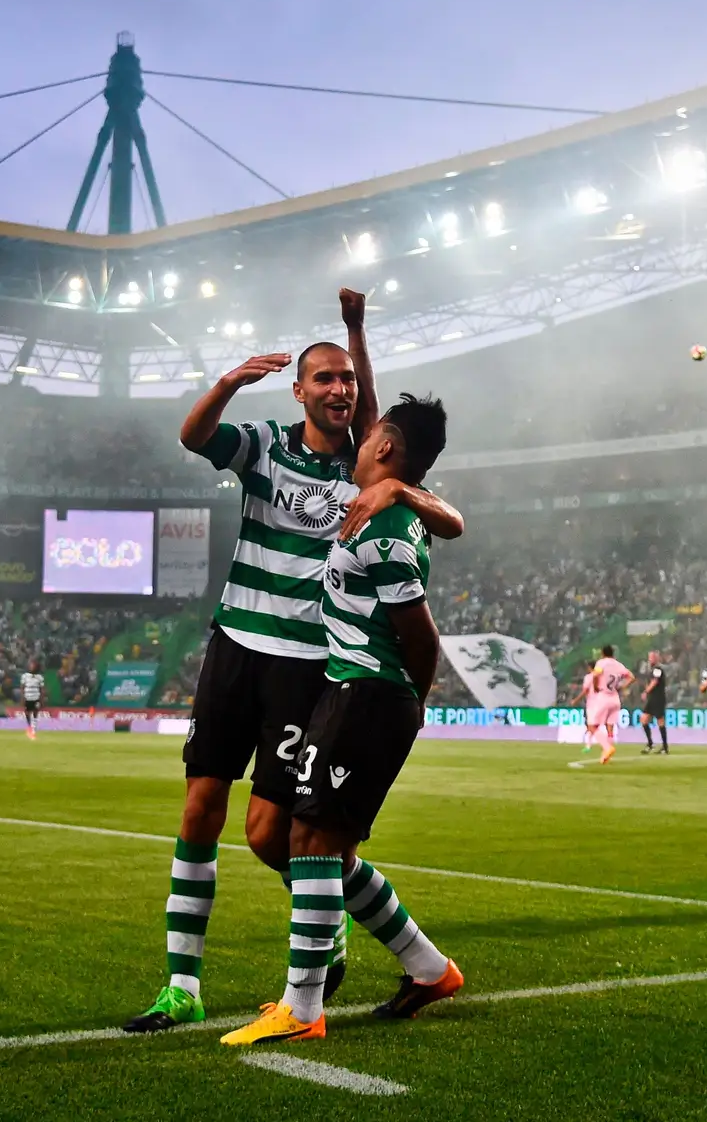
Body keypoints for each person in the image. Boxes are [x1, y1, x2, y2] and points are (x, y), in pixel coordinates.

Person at [124, 290, 466, 1036]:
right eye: (326, 379)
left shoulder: (368, 466)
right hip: (238, 646)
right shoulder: (266, 447)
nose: (341, 389)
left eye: (348, 380)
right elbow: (192, 437)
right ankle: (181, 984)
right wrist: (226, 382)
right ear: (300, 390)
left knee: (274, 836)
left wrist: (356, 333)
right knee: (199, 808)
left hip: (308, 666)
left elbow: (451, 516)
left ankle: (349, 942)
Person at [221, 394, 463, 1046]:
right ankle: (429, 969)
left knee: (312, 844)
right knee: (328, 850)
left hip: (369, 694)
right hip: (347, 691)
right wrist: (355, 327)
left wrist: (404, 705)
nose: (356, 442)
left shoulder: (386, 533)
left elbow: (421, 638)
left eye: (368, 436)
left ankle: (301, 1009)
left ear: (384, 447)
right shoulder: (388, 509)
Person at [570, 647, 631, 767]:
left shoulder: (601, 663)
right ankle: (606, 755)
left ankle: (607, 748)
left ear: (603, 654)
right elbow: (631, 677)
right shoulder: (618, 665)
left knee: (592, 726)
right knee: (610, 728)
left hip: (603, 697)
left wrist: (596, 686)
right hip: (615, 698)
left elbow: (595, 675)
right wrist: (622, 687)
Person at [638, 650, 668, 754]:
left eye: (652, 657)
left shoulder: (658, 669)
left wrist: (645, 692)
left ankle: (665, 747)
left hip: (658, 698)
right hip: (652, 698)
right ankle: (650, 744)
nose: (650, 659)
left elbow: (654, 682)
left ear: (657, 658)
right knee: (644, 719)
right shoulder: (651, 669)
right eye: (649, 657)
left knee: (660, 721)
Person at [19, 659, 45, 741]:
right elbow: (22, 687)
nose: (32, 667)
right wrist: (23, 697)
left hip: (36, 697)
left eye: (33, 665)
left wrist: (41, 699)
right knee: (27, 712)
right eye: (31, 665)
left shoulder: (40, 677)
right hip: (27, 697)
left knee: (35, 712)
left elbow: (41, 689)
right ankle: (29, 726)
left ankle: (33, 730)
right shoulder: (25, 676)